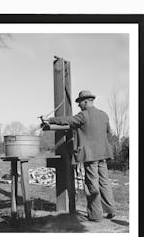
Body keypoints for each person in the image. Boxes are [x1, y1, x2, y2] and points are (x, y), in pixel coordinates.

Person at [44, 90, 116, 222]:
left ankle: (95, 215)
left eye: (80, 103)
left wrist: (50, 119)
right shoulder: (104, 115)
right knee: (105, 182)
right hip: (103, 154)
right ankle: (111, 210)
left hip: (90, 155)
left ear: (86, 101)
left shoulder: (83, 116)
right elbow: (108, 132)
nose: (79, 106)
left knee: (92, 184)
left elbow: (67, 120)